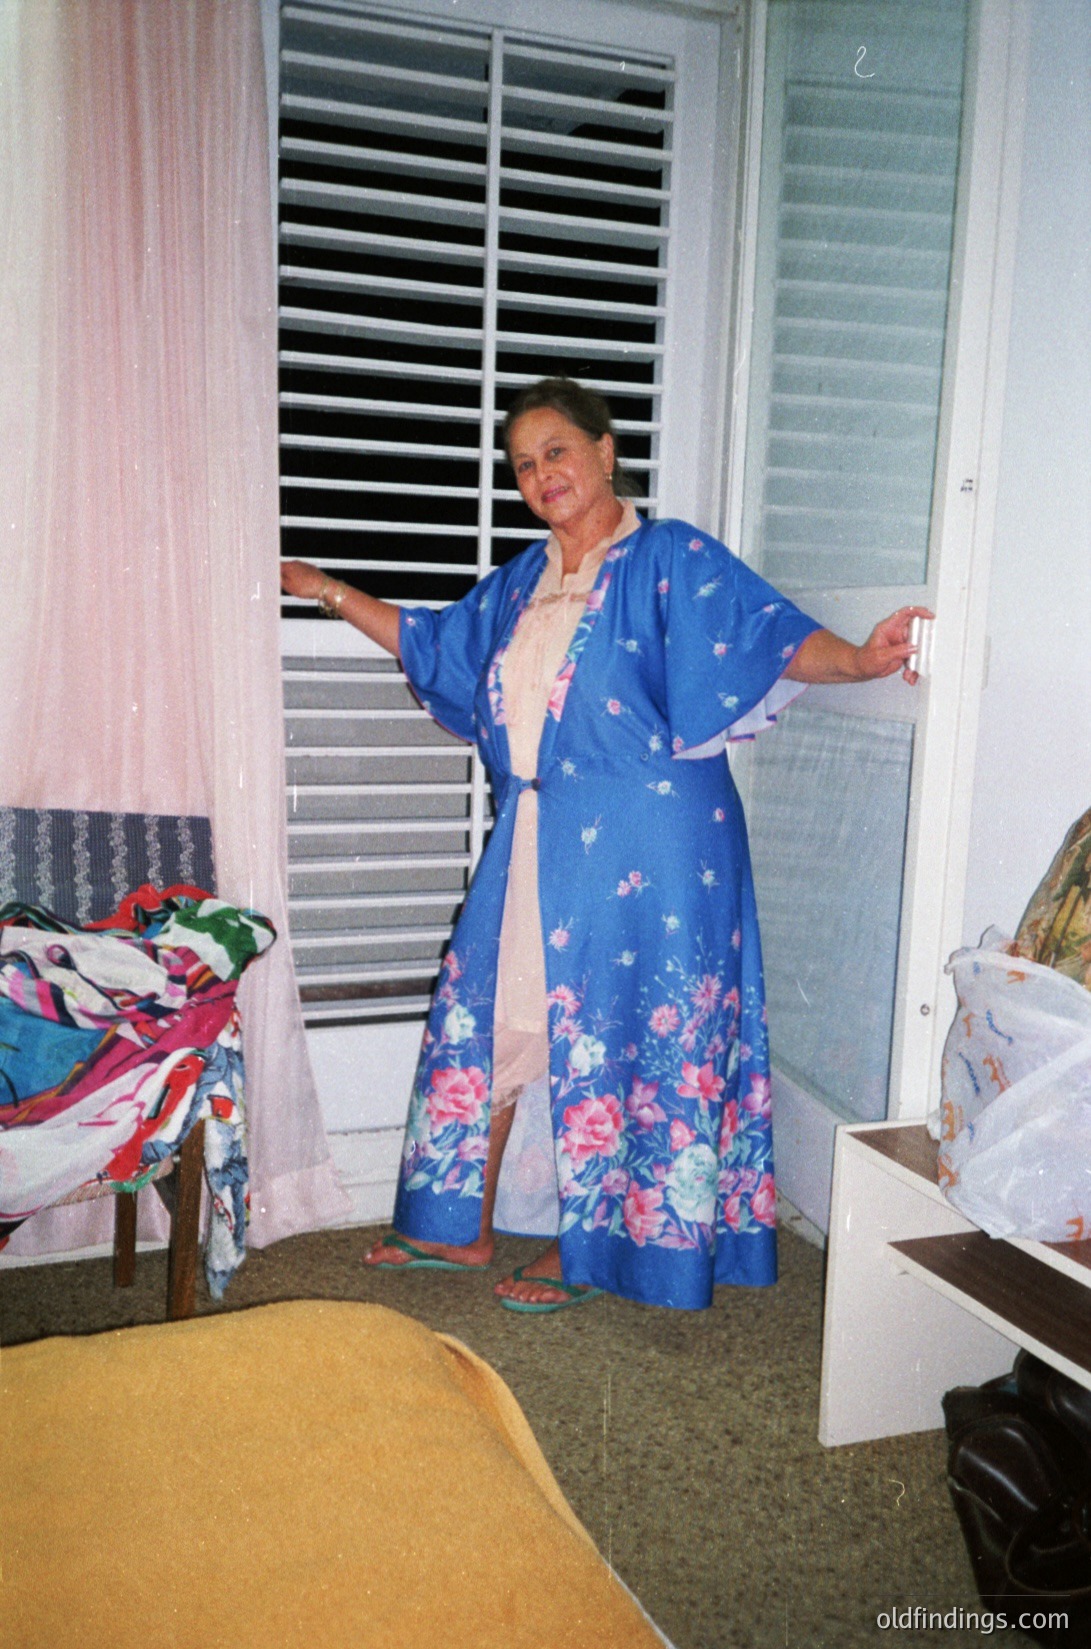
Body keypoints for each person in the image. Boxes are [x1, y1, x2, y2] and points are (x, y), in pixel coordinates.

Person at [281, 377, 929, 1313]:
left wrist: (860, 661)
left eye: (556, 451)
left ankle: (605, 1246)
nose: (542, 474)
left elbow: (768, 637)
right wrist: (328, 591)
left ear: (604, 449)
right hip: (540, 828)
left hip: (654, 844)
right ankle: (455, 1225)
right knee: (495, 1009)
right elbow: (432, 645)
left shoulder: (666, 556)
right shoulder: (517, 584)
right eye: (523, 464)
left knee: (628, 1028)